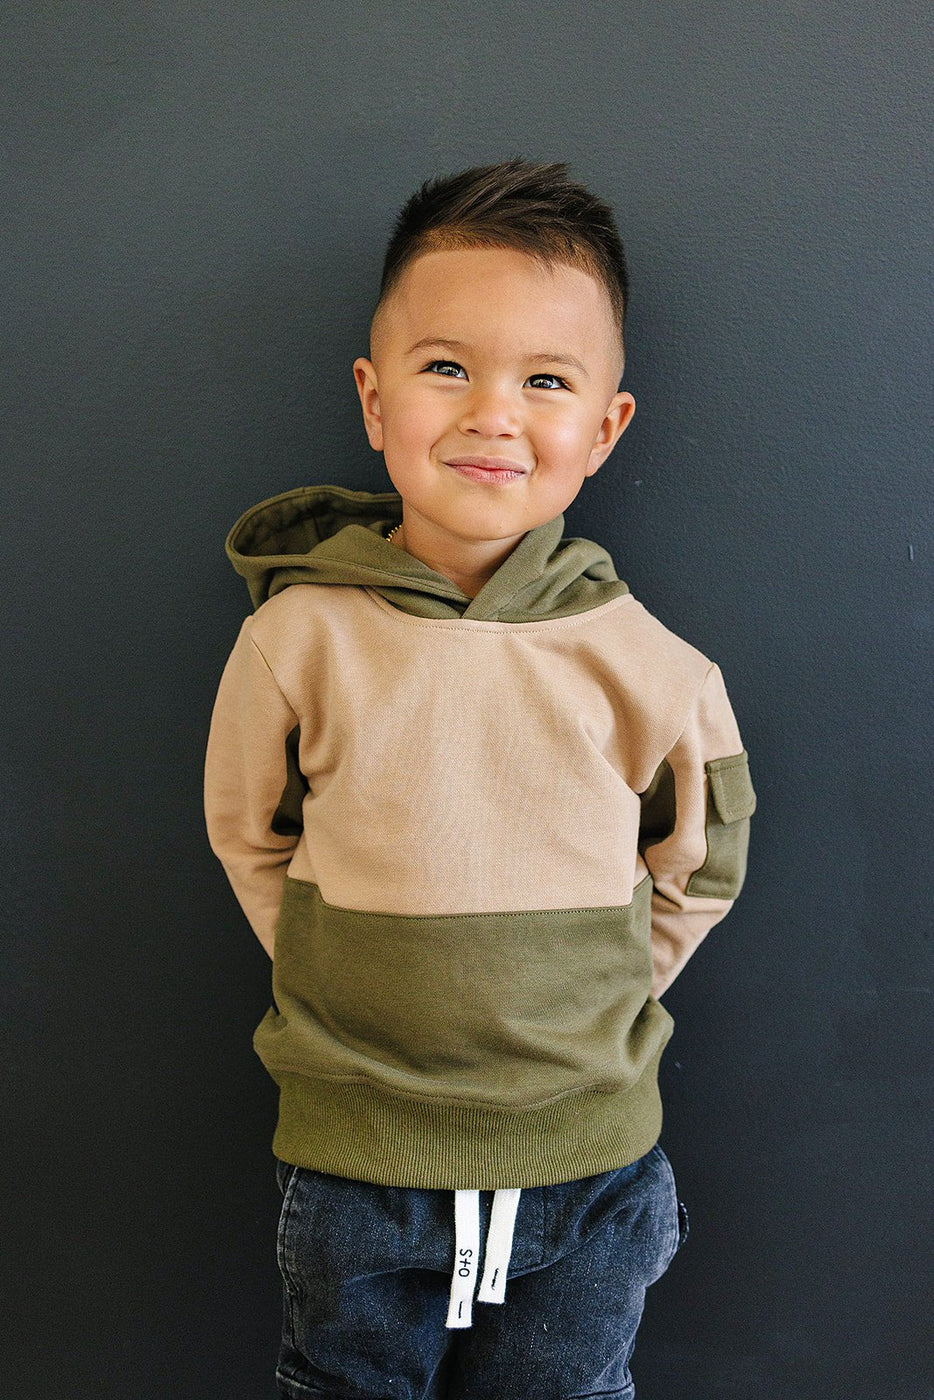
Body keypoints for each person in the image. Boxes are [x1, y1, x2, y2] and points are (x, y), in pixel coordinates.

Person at [203, 158, 756, 1400]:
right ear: (372, 397)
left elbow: (701, 862)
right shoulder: (297, 638)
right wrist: (336, 969)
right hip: (354, 1158)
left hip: (587, 1162)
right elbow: (247, 831)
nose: (491, 413)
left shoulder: (651, 665)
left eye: (545, 380)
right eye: (446, 366)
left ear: (605, 425)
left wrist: (583, 994)